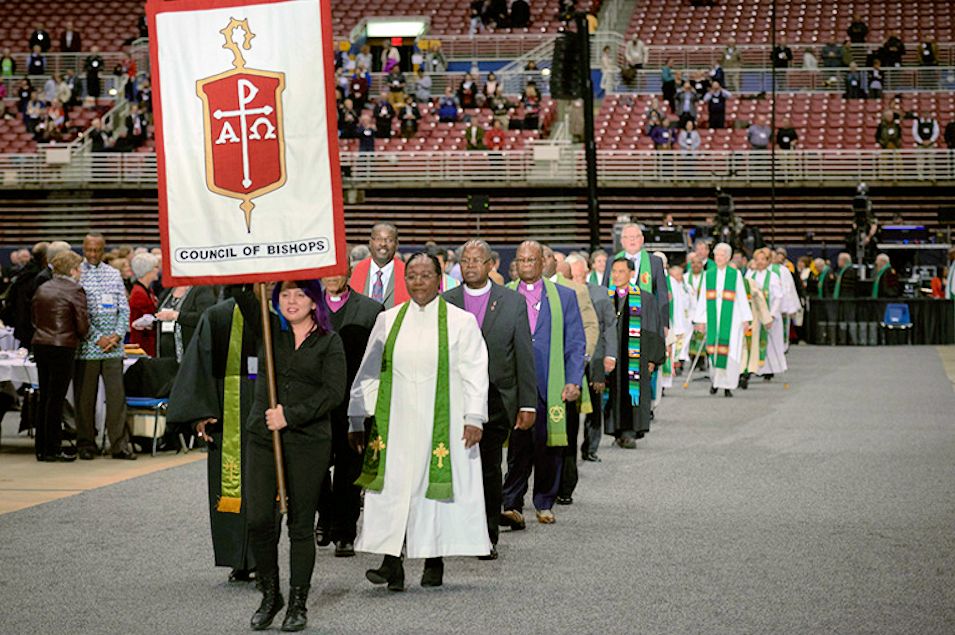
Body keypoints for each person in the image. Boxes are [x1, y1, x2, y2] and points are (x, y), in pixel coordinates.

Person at [348, 252, 491, 590]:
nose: (418, 281)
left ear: (439, 280)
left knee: (431, 493)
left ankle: (433, 560)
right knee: (393, 492)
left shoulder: (460, 322)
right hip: (395, 424)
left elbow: (475, 371)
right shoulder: (389, 320)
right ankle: (391, 563)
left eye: (426, 275)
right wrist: (357, 417)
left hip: (441, 422)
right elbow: (370, 373)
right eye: (412, 275)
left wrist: (474, 417)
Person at [243, 281, 345, 631]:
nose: (291, 301)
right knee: (258, 520)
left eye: (300, 294)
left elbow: (333, 392)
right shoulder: (270, 332)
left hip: (308, 441)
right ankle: (271, 595)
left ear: (314, 301)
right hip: (262, 437)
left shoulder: (330, 342)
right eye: (284, 294)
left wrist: (291, 415)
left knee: (300, 524)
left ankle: (298, 603)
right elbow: (243, 296)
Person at [444, 240, 536, 559]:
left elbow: (524, 353)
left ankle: (487, 534)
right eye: (464, 260)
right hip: (455, 400)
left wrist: (527, 403)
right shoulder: (446, 301)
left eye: (476, 260)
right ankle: (454, 531)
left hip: (497, 399)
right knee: (454, 467)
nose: (470, 266)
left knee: (487, 469)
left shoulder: (512, 302)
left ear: (490, 265)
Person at [167, 286, 261, 583]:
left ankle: (264, 556)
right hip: (229, 405)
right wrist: (200, 411)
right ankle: (240, 558)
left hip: (274, 403)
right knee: (232, 485)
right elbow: (198, 364)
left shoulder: (289, 310)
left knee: (268, 487)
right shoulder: (218, 316)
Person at [501, 241, 585, 527]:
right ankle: (511, 503)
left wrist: (574, 380)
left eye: (531, 260)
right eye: (521, 260)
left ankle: (544, 502)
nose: (526, 265)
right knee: (517, 446)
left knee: (549, 447)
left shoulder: (564, 296)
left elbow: (575, 342)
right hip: (515, 385)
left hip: (552, 382)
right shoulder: (504, 295)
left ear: (542, 262)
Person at [315, 264, 384, 558]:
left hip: (355, 400)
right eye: (327, 270)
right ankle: (325, 514)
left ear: (349, 272)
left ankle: (345, 531)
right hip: (316, 400)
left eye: (338, 270)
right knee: (316, 465)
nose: (332, 276)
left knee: (349, 468)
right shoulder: (304, 304)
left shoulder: (371, 309)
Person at [75, 233, 134, 460]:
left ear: (103, 250)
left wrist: (117, 336)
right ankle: (86, 444)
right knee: (85, 399)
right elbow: (79, 314)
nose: (92, 254)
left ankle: (119, 445)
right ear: (83, 249)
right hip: (88, 348)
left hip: (114, 348)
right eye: (88, 250)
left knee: (117, 398)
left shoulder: (114, 274)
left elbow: (124, 308)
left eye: (97, 250)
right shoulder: (77, 274)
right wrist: (96, 337)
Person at [30, 251, 89, 462]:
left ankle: (42, 447)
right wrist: (82, 334)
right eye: (79, 268)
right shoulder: (75, 289)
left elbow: (34, 319)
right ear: (72, 270)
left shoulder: (42, 288)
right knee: (57, 398)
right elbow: (82, 324)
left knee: (45, 396)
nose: (81, 272)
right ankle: (53, 448)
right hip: (63, 345)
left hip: (41, 343)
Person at [603, 256, 666, 446]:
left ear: (632, 274)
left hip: (635, 357)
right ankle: (615, 431)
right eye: (614, 271)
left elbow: (653, 329)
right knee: (612, 390)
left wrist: (652, 359)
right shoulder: (606, 297)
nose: (616, 275)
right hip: (612, 356)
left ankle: (630, 432)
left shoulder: (644, 299)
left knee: (633, 390)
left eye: (621, 271)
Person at [565, 253, 616, 463]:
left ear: (587, 273)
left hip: (595, 357)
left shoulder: (602, 293)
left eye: (579, 275)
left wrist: (610, 355)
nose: (576, 279)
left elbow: (610, 326)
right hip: (570, 357)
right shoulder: (562, 293)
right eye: (572, 276)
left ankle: (590, 447)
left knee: (595, 403)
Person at [691, 243, 753, 397]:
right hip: (713, 319)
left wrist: (746, 319)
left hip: (732, 318)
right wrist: (700, 320)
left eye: (722, 255)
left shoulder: (735, 274)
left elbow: (741, 296)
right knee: (714, 350)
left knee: (730, 351)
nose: (719, 258)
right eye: (717, 255)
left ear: (728, 257)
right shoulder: (708, 274)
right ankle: (716, 382)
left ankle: (728, 385)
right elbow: (702, 299)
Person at [745, 249, 787, 380]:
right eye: (757, 260)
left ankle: (769, 369)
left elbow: (778, 297)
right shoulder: (750, 275)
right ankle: (753, 368)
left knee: (769, 343)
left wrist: (772, 315)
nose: (760, 262)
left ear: (768, 261)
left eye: (763, 260)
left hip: (769, 315)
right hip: (754, 316)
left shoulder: (773, 276)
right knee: (752, 342)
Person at [349, 223, 409, 308]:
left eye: (389, 240)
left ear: (397, 245)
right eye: (378, 239)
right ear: (370, 242)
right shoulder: (356, 270)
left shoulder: (407, 273)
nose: (383, 244)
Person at [155, 285, 218, 362]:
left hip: (189, 351)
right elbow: (159, 312)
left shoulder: (202, 289)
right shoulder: (169, 289)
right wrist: (151, 322)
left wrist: (177, 316)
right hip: (165, 352)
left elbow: (205, 317)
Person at [128, 253, 160, 356]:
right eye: (156, 267)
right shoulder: (139, 293)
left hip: (148, 342)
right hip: (143, 345)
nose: (158, 270)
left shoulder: (147, 290)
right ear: (148, 269)